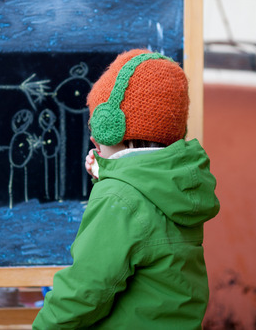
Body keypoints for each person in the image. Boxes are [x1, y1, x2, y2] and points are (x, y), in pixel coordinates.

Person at [32, 49, 220, 329]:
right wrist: (108, 174)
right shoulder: (177, 186)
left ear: (114, 126)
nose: (93, 135)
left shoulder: (119, 201)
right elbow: (145, 233)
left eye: (96, 121)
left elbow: (85, 290)